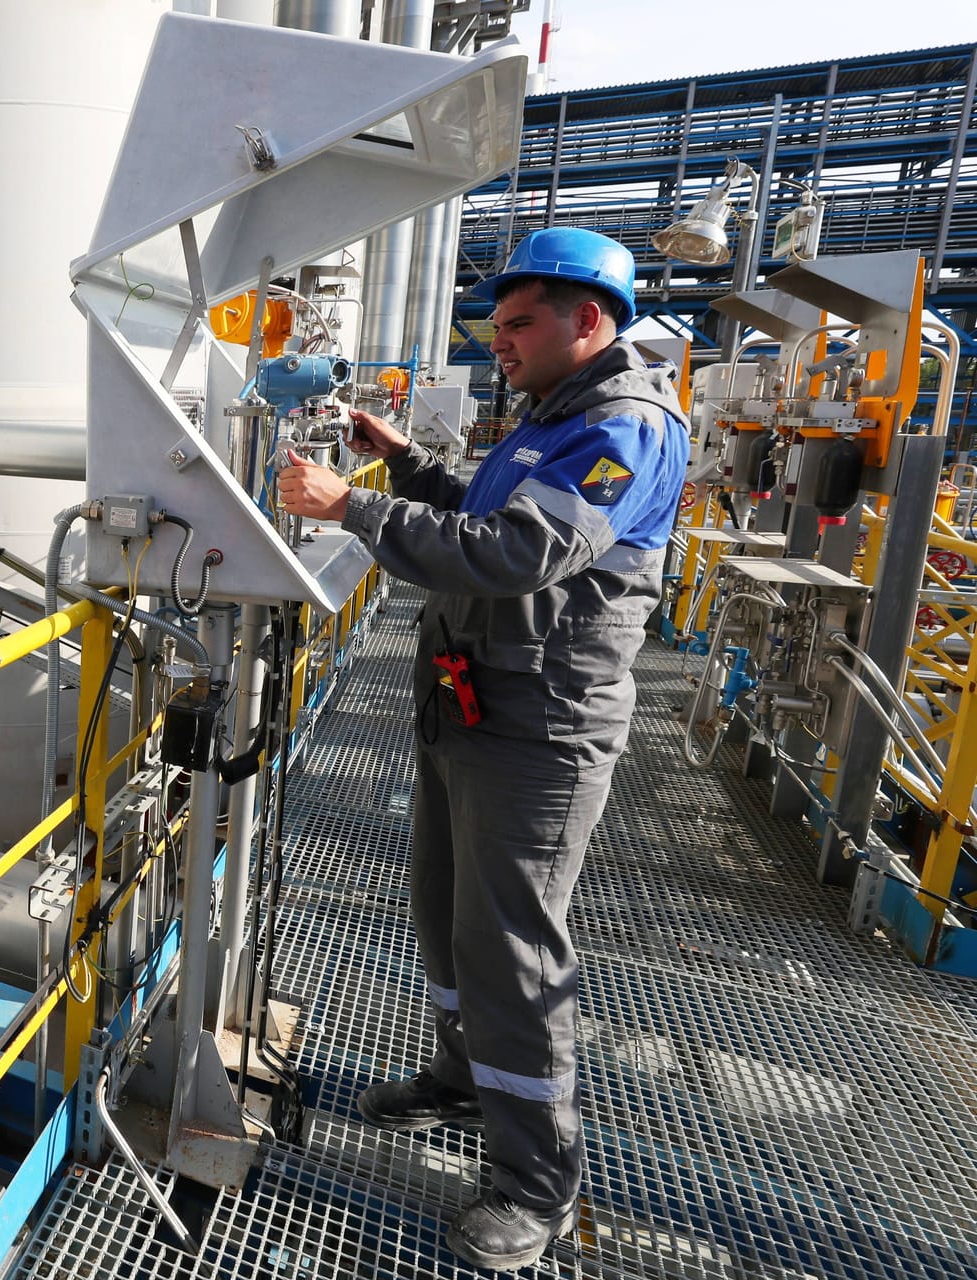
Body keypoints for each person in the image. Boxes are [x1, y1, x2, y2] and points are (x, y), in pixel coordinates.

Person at [277, 226, 688, 1272]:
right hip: (470, 709)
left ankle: (536, 1185)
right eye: (496, 324)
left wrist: (352, 507)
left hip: (538, 729)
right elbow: (482, 507)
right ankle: (465, 1079)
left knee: (514, 952)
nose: (498, 341)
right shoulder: (551, 416)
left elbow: (518, 553)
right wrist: (406, 466)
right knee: (448, 917)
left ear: (588, 319)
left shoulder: (622, 427)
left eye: (518, 323)